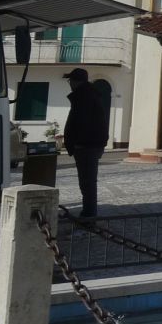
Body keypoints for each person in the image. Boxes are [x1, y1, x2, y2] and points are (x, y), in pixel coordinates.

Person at [63, 66, 109, 219]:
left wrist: (76, 142)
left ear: (76, 81)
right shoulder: (88, 95)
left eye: (70, 80)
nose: (69, 83)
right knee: (87, 181)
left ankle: (89, 214)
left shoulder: (84, 97)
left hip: (86, 146)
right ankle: (88, 212)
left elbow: (81, 122)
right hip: (88, 145)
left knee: (87, 182)